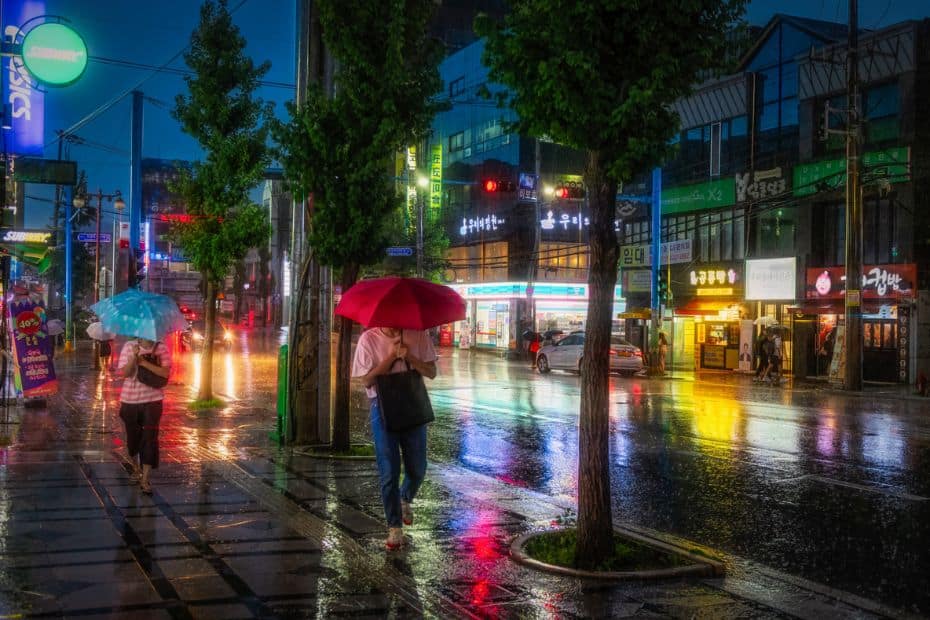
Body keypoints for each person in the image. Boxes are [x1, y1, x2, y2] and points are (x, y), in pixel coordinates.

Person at [352, 327, 437, 550]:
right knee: (389, 469)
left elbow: (431, 372)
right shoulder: (368, 339)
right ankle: (394, 527)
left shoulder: (419, 335)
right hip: (381, 408)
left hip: (412, 404)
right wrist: (391, 356)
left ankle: (405, 497)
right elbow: (367, 380)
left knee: (418, 468)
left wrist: (408, 355)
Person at [117, 338, 170, 495]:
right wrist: (134, 358)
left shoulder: (161, 348)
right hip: (129, 401)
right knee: (133, 439)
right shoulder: (129, 346)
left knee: (150, 438)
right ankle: (135, 468)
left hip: (153, 401)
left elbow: (165, 373)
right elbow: (124, 373)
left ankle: (145, 478)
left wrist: (144, 362)